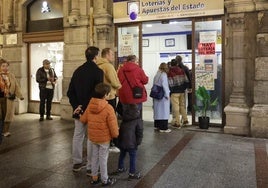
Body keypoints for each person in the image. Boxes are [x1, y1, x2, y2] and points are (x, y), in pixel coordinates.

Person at [67, 46, 103, 175]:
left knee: (78, 136)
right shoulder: (98, 72)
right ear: (95, 57)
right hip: (92, 110)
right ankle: (90, 167)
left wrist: (77, 105)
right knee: (91, 138)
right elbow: (98, 93)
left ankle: (77, 163)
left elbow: (70, 92)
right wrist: (86, 106)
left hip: (79, 110)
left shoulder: (78, 71)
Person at [79, 83, 118, 186]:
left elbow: (83, 119)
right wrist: (115, 135)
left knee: (94, 158)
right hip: (104, 139)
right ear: (105, 95)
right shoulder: (108, 108)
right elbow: (113, 125)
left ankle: (94, 178)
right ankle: (105, 179)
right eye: (108, 93)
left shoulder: (90, 105)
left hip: (92, 138)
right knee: (103, 159)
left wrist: (79, 113)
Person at [96, 48, 121, 152]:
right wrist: (119, 86)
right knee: (111, 120)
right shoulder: (108, 66)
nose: (113, 56)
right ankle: (111, 143)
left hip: (101, 96)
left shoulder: (98, 65)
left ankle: (102, 141)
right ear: (106, 55)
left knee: (102, 120)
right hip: (110, 96)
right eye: (111, 54)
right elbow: (115, 82)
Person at [112, 104, 143, 180]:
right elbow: (139, 132)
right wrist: (138, 142)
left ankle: (120, 168)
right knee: (132, 157)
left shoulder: (124, 119)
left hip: (123, 142)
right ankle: (132, 173)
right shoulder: (138, 120)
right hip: (132, 143)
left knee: (122, 155)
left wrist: (119, 142)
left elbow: (121, 131)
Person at [0, 59, 24, 137]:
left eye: (7, 66)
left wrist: (20, 95)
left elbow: (16, 86)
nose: (5, 68)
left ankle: (5, 131)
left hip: (9, 98)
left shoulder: (11, 75)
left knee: (8, 116)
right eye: (3, 66)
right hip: (0, 98)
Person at [167, 59, 190, 128]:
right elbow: (186, 81)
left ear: (171, 64)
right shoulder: (182, 70)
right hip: (182, 92)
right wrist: (183, 88)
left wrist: (171, 91)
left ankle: (177, 123)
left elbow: (170, 83)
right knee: (182, 106)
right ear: (177, 64)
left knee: (175, 107)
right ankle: (185, 120)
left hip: (174, 93)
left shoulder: (169, 72)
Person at [152, 63, 171, 133]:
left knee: (157, 111)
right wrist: (167, 95)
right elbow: (165, 86)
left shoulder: (157, 74)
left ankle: (157, 125)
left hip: (156, 95)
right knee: (164, 112)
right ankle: (163, 128)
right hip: (162, 96)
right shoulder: (163, 75)